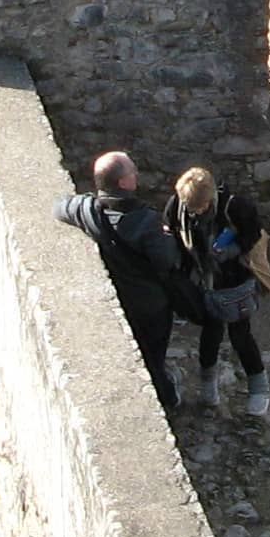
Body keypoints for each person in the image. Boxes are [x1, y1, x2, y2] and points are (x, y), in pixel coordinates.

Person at [55, 149, 184, 410]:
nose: (137, 173)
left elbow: (59, 207)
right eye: (132, 171)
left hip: (120, 298)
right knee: (153, 355)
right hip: (150, 305)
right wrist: (169, 238)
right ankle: (167, 398)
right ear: (124, 182)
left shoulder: (87, 211)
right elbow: (167, 262)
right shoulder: (145, 222)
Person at [169, 165, 270, 418]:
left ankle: (259, 389)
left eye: (201, 208)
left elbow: (252, 234)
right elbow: (173, 229)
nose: (196, 213)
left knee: (241, 334)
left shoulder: (237, 207)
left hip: (235, 281)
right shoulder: (179, 205)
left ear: (210, 199)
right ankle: (208, 388)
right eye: (191, 209)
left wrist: (230, 251)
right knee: (211, 333)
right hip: (204, 282)